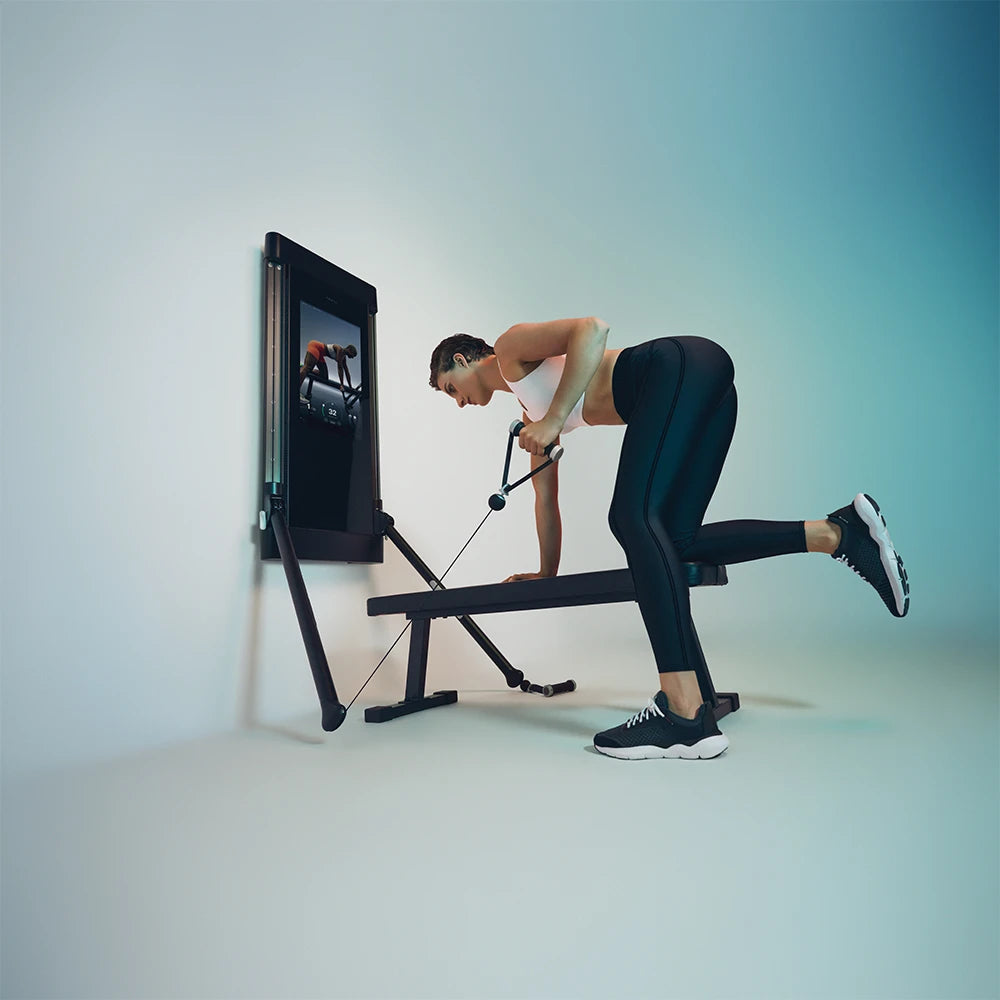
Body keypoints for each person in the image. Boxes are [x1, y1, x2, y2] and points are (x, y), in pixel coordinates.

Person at [429, 317, 910, 761]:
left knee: (632, 518)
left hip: (676, 365)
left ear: (464, 359)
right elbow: (545, 500)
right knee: (674, 540)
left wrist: (555, 420)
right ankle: (839, 533)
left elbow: (591, 331)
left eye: (450, 388)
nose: (458, 401)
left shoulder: (512, 349)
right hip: (707, 387)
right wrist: (545, 573)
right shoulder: (530, 410)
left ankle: (682, 714)